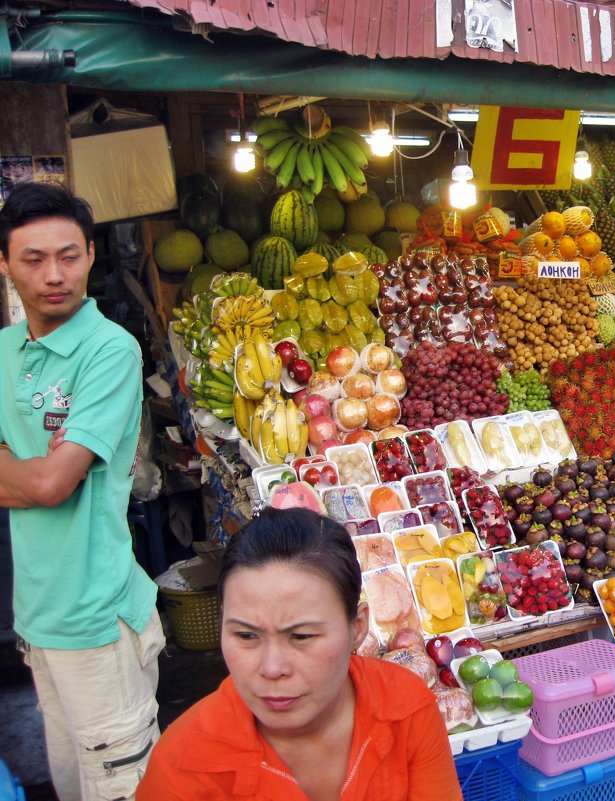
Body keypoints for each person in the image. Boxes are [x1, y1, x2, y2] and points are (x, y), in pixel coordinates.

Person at [0, 182, 163, 800]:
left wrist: (29, 472)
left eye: (69, 255)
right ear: (5, 264)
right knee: (72, 787)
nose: (54, 275)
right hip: (37, 618)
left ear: (91, 255)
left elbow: (50, 483)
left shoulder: (108, 349)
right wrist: (35, 476)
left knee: (121, 788)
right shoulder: (4, 352)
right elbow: (43, 482)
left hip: (99, 619)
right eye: (33, 258)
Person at [138, 507, 463, 801]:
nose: (272, 668)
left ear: (358, 627)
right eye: (246, 635)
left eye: (301, 636)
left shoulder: (405, 708)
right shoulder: (183, 764)